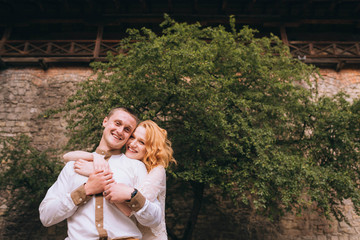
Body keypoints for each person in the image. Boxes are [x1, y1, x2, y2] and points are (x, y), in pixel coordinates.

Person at [39, 108, 162, 240]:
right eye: (117, 123)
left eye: (127, 129)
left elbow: (155, 219)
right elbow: (46, 216)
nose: (120, 131)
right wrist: (84, 190)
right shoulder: (74, 166)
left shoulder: (135, 167)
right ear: (105, 121)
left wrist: (132, 196)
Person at [63, 120, 176, 240]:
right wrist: (95, 157)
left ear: (151, 149)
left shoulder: (157, 171)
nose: (132, 144)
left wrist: (96, 174)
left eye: (141, 142)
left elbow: (129, 209)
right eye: (132, 137)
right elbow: (66, 156)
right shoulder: (126, 164)